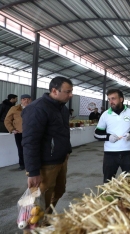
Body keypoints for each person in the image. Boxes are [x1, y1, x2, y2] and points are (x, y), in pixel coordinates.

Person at [22, 76, 73, 214]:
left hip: (60, 160)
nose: (71, 95)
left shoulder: (62, 108)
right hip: (45, 164)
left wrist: (67, 150)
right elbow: (30, 141)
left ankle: (46, 220)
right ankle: (32, 228)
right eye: (67, 91)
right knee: (38, 201)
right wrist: (33, 171)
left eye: (71, 91)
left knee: (59, 191)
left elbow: (62, 132)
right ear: (54, 91)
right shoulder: (37, 108)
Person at [94, 89, 130, 183]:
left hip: (128, 152)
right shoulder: (105, 115)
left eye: (113, 98)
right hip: (110, 154)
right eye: (109, 99)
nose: (111, 102)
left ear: (121, 99)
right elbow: (97, 133)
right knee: (108, 181)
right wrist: (108, 137)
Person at [4, 94, 31, 170]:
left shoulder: (35, 108)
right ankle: (22, 164)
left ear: (31, 100)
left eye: (28, 99)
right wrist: (12, 129)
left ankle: (32, 164)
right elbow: (7, 120)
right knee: (21, 148)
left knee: (33, 148)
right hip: (19, 132)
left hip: (32, 132)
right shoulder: (15, 109)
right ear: (21, 100)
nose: (26, 101)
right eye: (24, 99)